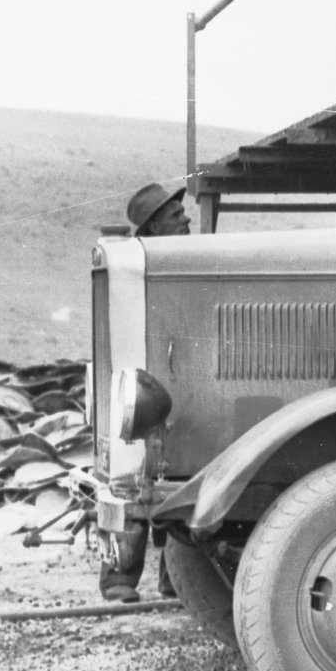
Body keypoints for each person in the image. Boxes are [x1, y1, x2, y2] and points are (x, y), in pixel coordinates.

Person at [99, 182, 189, 602]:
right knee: (131, 480)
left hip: (175, 387)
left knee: (179, 478)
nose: (186, 218)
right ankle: (118, 580)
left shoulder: (180, 263)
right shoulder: (138, 267)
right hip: (143, 385)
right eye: (175, 215)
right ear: (154, 225)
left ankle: (177, 581)